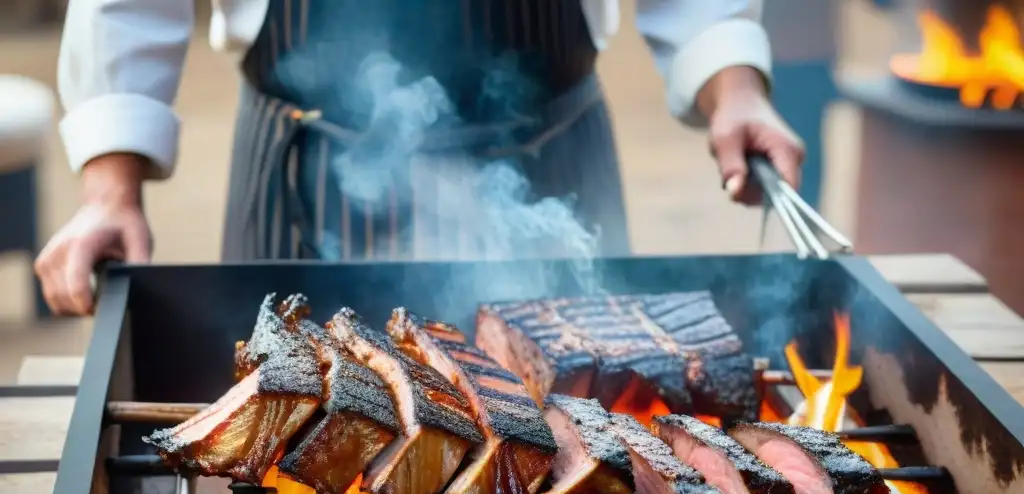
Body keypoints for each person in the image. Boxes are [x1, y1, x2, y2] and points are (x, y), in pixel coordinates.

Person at [37, 0, 804, 316]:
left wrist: (730, 81)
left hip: (551, 161)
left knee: (583, 466)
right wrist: (111, 184)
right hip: (313, 173)